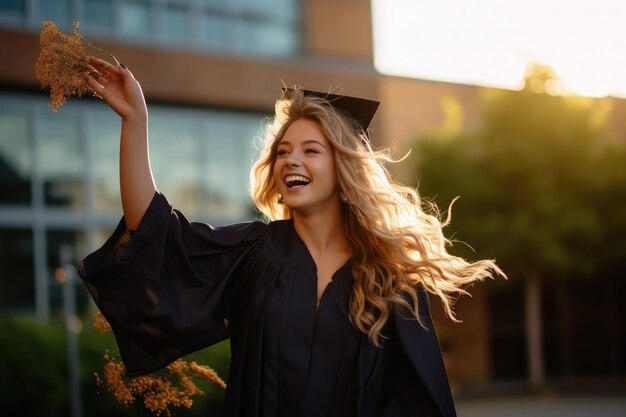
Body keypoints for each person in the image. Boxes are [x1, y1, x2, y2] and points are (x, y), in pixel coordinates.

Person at [80, 57, 502, 417]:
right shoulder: (256, 253)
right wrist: (136, 120)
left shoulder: (390, 280)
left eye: (310, 150)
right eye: (283, 151)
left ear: (344, 167)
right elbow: (158, 234)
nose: (290, 160)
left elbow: (419, 402)